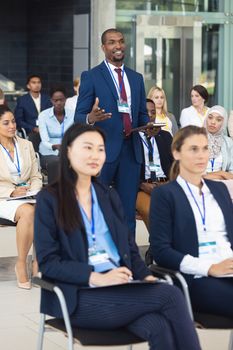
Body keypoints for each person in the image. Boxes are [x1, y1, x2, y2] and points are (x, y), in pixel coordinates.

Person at [34, 123, 201, 350]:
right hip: (79, 295)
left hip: (120, 286)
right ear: (68, 151)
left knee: (158, 325)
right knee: (170, 295)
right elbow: (48, 263)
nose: (95, 155)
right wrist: (96, 277)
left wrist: (145, 277)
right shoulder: (49, 199)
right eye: (88, 148)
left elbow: (129, 248)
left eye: (101, 149)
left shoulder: (108, 195)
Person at [150, 125, 233, 318]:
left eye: (205, 149)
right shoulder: (165, 194)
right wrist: (209, 268)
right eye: (193, 149)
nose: (201, 155)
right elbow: (161, 251)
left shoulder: (219, 190)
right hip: (198, 278)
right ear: (176, 152)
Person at [74, 28, 150, 235]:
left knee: (127, 212)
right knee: (95, 207)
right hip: (102, 152)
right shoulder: (91, 76)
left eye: (121, 41)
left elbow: (142, 114)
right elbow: (78, 116)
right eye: (112, 42)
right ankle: (95, 259)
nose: (117, 46)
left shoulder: (136, 78)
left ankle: (128, 261)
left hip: (131, 152)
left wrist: (149, 128)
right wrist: (91, 118)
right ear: (103, 47)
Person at [0, 105, 42, 289]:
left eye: (13, 121)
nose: (12, 126)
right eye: (6, 123)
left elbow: (36, 176)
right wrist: (11, 192)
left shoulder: (26, 145)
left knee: (45, 208)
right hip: (3, 198)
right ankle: (21, 263)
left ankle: (38, 264)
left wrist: (33, 190)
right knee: (28, 212)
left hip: (27, 196)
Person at [136, 98, 173, 230]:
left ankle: (156, 248)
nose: (150, 116)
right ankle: (159, 246)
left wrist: (169, 183)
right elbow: (126, 171)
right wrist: (141, 184)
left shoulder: (165, 136)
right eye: (145, 112)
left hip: (166, 184)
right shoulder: (130, 139)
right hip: (142, 186)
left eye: (153, 112)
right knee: (151, 210)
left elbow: (176, 165)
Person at [38, 85, 74, 172]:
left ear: (65, 99)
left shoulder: (72, 114)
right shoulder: (43, 115)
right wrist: (55, 146)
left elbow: (75, 135)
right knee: (58, 163)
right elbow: (44, 140)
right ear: (51, 101)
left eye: (61, 100)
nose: (58, 103)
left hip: (68, 151)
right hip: (48, 152)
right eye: (55, 100)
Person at [203, 105, 233, 180]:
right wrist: (221, 174)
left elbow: (231, 172)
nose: (213, 122)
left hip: (222, 185)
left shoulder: (228, 142)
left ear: (224, 123)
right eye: (210, 117)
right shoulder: (196, 139)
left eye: (218, 120)